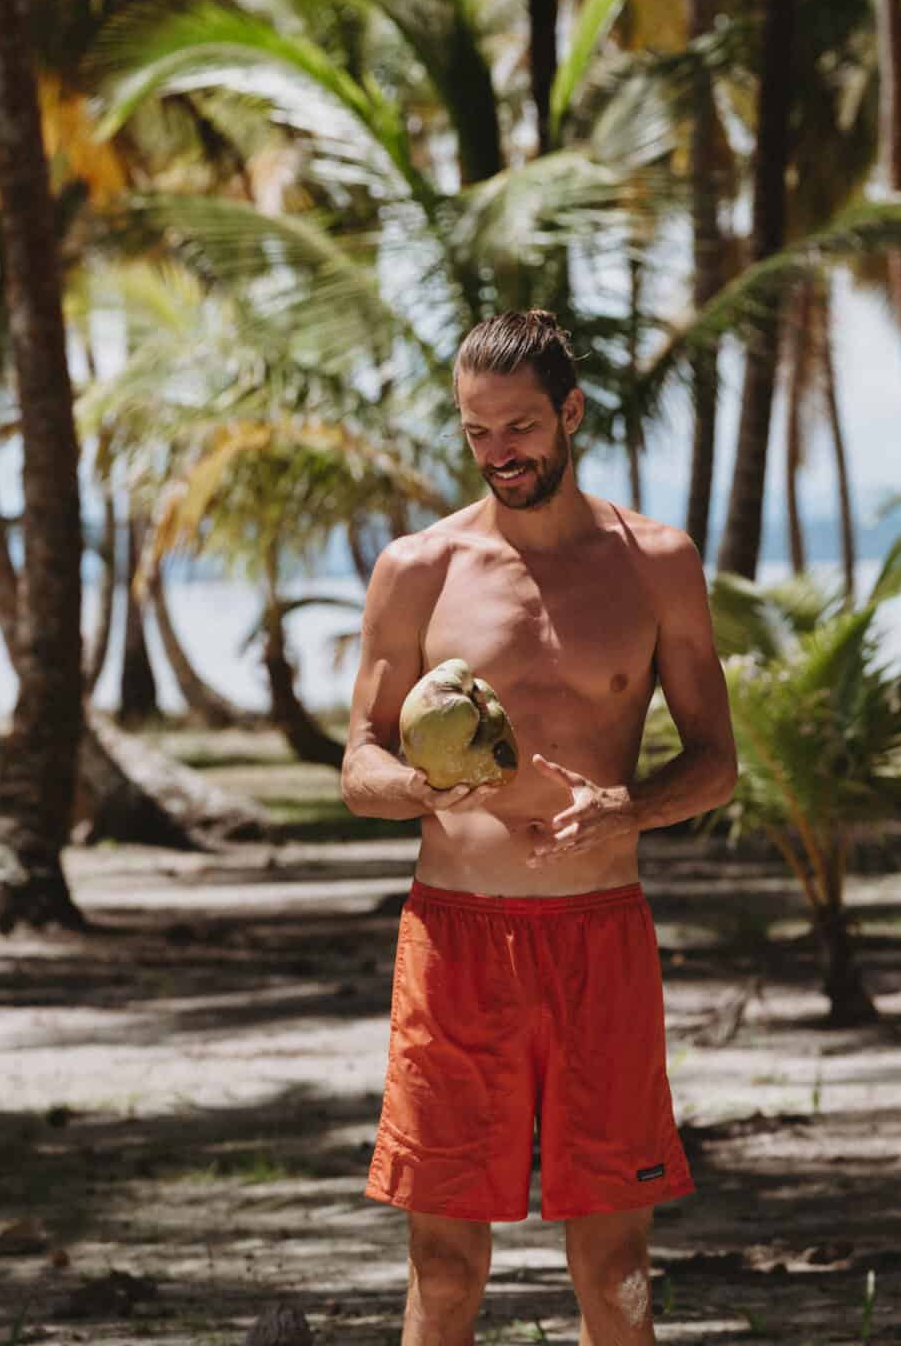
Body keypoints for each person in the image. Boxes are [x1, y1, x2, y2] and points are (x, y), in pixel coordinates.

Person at [341, 309, 738, 1346]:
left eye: (518, 426)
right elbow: (359, 762)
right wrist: (428, 788)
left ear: (570, 412)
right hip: (456, 938)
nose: (498, 452)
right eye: (477, 432)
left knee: (614, 1266)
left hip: (598, 936)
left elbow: (715, 761)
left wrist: (631, 804)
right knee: (443, 1261)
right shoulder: (420, 568)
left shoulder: (656, 563)